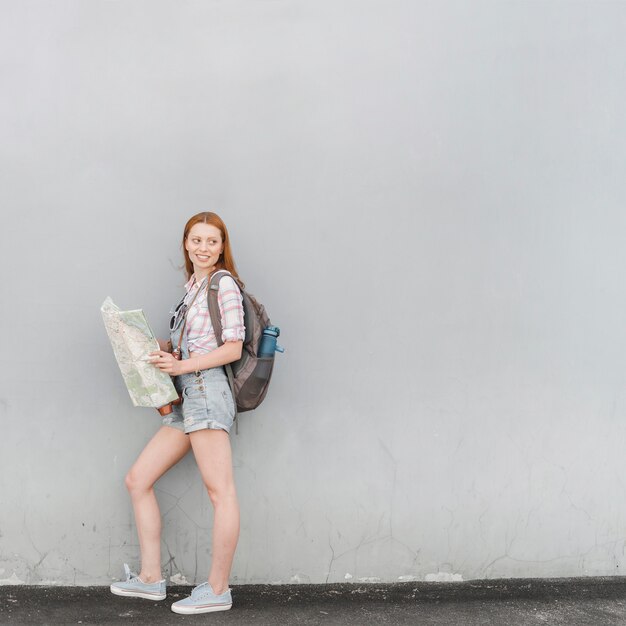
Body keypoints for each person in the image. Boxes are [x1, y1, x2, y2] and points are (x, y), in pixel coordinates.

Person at [110, 211, 245, 615]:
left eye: (211, 241)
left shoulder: (225, 286)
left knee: (220, 493)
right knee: (138, 480)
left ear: (223, 247)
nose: (203, 248)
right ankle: (151, 580)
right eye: (195, 240)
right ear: (186, 244)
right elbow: (194, 343)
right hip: (187, 395)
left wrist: (181, 366)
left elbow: (232, 348)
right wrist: (160, 347)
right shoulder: (193, 287)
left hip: (206, 391)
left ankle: (218, 589)